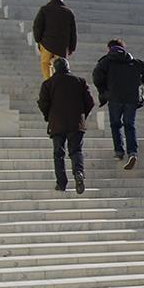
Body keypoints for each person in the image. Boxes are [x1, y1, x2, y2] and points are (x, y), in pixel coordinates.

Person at [92, 38, 144, 168]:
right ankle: (132, 152)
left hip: (114, 98)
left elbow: (96, 77)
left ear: (110, 48)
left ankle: (119, 151)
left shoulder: (106, 61)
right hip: (131, 99)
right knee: (129, 125)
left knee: (115, 125)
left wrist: (104, 90)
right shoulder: (133, 61)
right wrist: (143, 81)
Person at [37, 57, 94, 194]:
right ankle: (78, 173)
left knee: (58, 154)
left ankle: (61, 183)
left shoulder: (48, 84)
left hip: (57, 123)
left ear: (55, 69)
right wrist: (81, 115)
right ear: (68, 67)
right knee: (76, 151)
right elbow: (90, 102)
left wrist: (48, 116)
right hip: (76, 123)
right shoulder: (79, 81)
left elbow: (43, 103)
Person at [32, 0, 77, 80]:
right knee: (61, 66)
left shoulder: (44, 9)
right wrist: (72, 47)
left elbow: (37, 26)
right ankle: (59, 82)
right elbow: (73, 32)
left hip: (46, 42)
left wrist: (38, 40)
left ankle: (48, 81)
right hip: (62, 45)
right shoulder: (68, 12)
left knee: (46, 63)